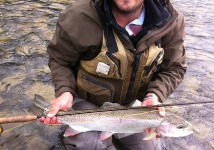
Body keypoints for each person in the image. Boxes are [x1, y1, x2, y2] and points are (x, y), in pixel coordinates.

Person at [39, 0, 187, 149]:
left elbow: (174, 68)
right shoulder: (79, 16)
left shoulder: (170, 20)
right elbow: (59, 59)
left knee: (148, 147)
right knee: (89, 145)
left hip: (134, 107)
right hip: (87, 100)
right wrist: (64, 91)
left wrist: (154, 95)